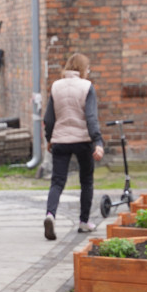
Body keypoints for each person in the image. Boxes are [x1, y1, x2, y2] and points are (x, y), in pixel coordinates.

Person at [42, 52, 104, 240]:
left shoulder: (56, 86)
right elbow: (91, 118)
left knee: (57, 182)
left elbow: (49, 119)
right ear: (83, 69)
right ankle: (84, 222)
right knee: (86, 181)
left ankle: (50, 215)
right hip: (83, 140)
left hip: (60, 140)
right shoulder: (87, 87)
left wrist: (49, 139)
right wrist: (98, 142)